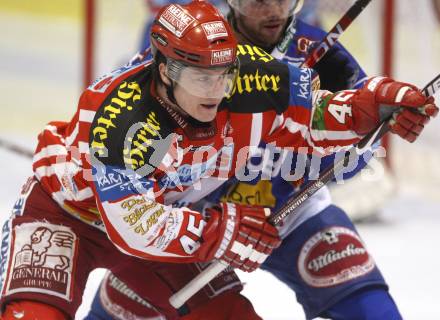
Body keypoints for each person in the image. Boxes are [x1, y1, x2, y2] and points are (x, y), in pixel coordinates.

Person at [1, 1, 437, 320]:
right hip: (69, 215)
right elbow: (134, 224)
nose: (215, 90)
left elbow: (315, 115)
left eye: (222, 75)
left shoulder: (245, 71)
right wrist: (219, 229)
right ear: (166, 71)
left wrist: (372, 104)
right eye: (200, 77)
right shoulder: (125, 123)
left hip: (175, 220)